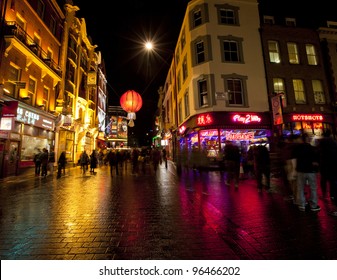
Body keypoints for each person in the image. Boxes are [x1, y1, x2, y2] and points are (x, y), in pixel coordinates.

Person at [294, 133, 320, 212]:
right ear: (308, 139)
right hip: (310, 171)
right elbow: (316, 161)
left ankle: (302, 204)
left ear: (302, 139)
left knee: (300, 188)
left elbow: (294, 159)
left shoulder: (297, 148)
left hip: (300, 170)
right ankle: (313, 205)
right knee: (313, 188)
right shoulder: (312, 148)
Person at [317, 129, 337, 201]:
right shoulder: (334, 142)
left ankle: (324, 194)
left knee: (324, 180)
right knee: (333, 180)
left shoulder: (321, 142)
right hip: (333, 163)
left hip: (324, 163)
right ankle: (333, 195)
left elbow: (318, 152)